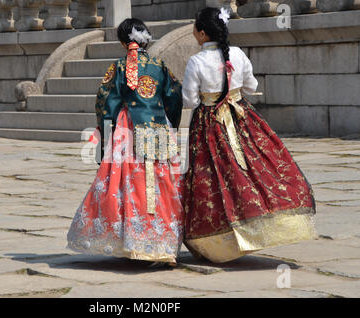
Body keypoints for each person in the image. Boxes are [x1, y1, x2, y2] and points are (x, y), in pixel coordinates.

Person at [181, 7, 317, 263]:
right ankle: (265, 221)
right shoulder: (238, 53)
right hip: (242, 117)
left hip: (210, 123)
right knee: (256, 168)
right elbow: (251, 86)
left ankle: (220, 241)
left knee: (215, 178)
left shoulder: (196, 61)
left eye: (194, 30)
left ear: (201, 33)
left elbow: (189, 100)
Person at [67, 18, 184, 265]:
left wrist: (105, 130)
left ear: (123, 42)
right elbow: (174, 95)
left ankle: (131, 239)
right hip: (158, 126)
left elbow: (105, 100)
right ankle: (162, 241)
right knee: (161, 180)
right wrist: (170, 122)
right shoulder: (160, 65)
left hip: (127, 128)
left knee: (127, 181)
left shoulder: (119, 66)